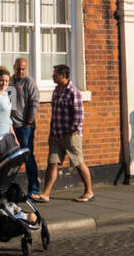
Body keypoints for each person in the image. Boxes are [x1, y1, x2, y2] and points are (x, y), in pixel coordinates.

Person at [34, 65, 93, 203]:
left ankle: (89, 191)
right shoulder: (56, 90)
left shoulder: (73, 92)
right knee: (52, 163)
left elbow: (79, 115)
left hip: (71, 135)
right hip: (56, 134)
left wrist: (71, 132)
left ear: (63, 75)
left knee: (78, 162)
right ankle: (45, 194)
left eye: (55, 74)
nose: (53, 76)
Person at [9, 57, 41, 196]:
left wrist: (28, 122)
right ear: (14, 66)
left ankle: (34, 189)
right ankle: (8, 190)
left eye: (23, 69)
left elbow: (34, 103)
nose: (21, 71)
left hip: (25, 127)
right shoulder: (9, 81)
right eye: (18, 68)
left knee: (28, 157)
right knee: (10, 158)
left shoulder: (29, 82)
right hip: (11, 127)